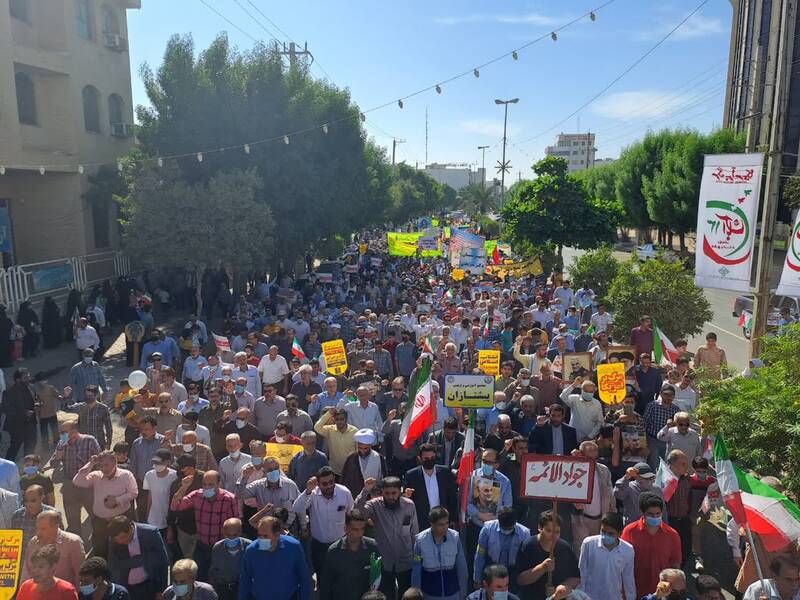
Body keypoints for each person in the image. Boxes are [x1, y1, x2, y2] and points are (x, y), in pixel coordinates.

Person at [355, 476, 419, 600]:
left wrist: (416, 560)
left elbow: (414, 533)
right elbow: (357, 514)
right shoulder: (375, 505)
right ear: (382, 492)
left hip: (406, 562)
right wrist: (365, 491)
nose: (390, 497)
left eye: (394, 493)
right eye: (387, 493)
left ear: (400, 491)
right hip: (384, 564)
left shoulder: (409, 505)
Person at [169, 470, 239, 581]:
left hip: (221, 547)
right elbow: (175, 506)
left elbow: (235, 524)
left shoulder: (229, 499)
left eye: (211, 484)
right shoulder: (197, 495)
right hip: (202, 545)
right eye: (205, 484)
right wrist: (184, 487)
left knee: (220, 579)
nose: (207, 487)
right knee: (200, 577)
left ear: (219, 483)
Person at [292, 466, 354, 583]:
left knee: (341, 577)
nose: (329, 486)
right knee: (322, 577)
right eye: (324, 484)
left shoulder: (344, 492)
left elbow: (351, 513)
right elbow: (297, 508)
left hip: (340, 544)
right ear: (318, 484)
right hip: (319, 546)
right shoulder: (313, 494)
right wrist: (308, 490)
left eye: (331, 482)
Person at [72, 450, 138, 558]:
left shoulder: (126, 475)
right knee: (100, 549)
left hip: (120, 520)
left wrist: (117, 500)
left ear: (115, 462)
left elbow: (134, 492)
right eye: (101, 465)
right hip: (100, 521)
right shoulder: (96, 476)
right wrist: (91, 463)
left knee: (122, 549)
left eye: (106, 465)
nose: (103, 468)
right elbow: (77, 481)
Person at [620, 492, 681, 596]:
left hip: (661, 592)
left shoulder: (672, 535)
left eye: (658, 513)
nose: (655, 517)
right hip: (635, 589)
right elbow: (621, 561)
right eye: (651, 514)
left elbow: (675, 565)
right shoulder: (629, 532)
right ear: (642, 513)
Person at [239, 515, 311, 600]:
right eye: (259, 535)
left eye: (265, 536)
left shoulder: (293, 547)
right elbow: (245, 580)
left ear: (277, 535)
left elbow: (303, 576)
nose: (261, 539)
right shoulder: (251, 551)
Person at [515, 511, 580, 600]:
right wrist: (542, 568)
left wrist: (561, 589)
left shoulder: (564, 548)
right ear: (540, 528)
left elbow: (575, 577)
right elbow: (520, 579)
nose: (553, 536)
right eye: (549, 531)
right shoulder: (528, 546)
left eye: (557, 532)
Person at [321, 509, 381, 600]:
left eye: (362, 529)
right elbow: (326, 585)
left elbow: (379, 578)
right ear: (346, 529)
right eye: (355, 530)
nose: (360, 533)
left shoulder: (372, 548)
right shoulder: (334, 552)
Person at [106, 515, 169, 600]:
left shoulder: (150, 533)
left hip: (149, 586)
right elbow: (114, 564)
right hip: (126, 588)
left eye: (122, 537)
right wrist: (140, 560)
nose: (120, 542)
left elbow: (163, 562)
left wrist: (161, 590)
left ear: (131, 528)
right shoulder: (115, 540)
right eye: (117, 539)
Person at [411, 507, 468, 600]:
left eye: (447, 523)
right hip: (429, 594)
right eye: (441, 524)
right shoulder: (420, 541)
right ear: (432, 524)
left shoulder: (455, 538)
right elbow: (416, 569)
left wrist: (463, 592)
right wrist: (416, 595)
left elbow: (462, 567)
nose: (445, 527)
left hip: (452, 594)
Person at [576, 512, 635, 600]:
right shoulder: (589, 544)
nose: (605, 536)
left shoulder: (628, 550)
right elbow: (582, 574)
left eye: (610, 533)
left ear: (620, 533)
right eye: (603, 531)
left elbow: (628, 580)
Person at [569, 441, 615, 553]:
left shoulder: (604, 470)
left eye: (596, 458)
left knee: (600, 551)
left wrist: (612, 514)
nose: (593, 461)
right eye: (589, 458)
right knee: (581, 552)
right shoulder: (572, 470)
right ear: (582, 455)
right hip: (581, 520)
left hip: (601, 520)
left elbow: (611, 494)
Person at [473, 507, 531, 593]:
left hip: (513, 572)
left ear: (515, 523)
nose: (506, 531)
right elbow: (480, 555)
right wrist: (477, 579)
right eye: (504, 528)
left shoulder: (525, 533)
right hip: (492, 569)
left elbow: (526, 561)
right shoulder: (487, 529)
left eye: (509, 528)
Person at [403, 444, 458, 531]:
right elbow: (407, 498)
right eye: (426, 459)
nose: (430, 460)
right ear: (419, 458)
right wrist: (406, 495)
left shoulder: (445, 472)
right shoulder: (412, 476)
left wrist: (453, 519)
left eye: (432, 458)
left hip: (442, 520)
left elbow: (451, 496)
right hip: (422, 522)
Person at [23, 511, 84, 588]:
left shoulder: (72, 542)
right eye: (37, 528)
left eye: (43, 529)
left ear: (55, 527)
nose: (38, 532)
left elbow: (80, 574)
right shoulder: (34, 542)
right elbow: (27, 572)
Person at [208, 518, 250, 600]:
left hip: (243, 589)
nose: (231, 538)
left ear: (240, 532)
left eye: (234, 535)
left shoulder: (249, 547)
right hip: (223, 590)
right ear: (223, 533)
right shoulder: (217, 548)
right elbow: (213, 572)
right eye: (228, 535)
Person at [3, 368, 38, 460]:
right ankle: (7, 468)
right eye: (25, 377)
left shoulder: (31, 387)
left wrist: (37, 404)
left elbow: (35, 398)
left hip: (31, 423)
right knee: (15, 447)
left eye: (28, 376)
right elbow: (6, 409)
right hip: (16, 425)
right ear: (18, 380)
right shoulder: (9, 392)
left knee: (30, 446)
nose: (28, 379)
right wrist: (24, 412)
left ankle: (28, 469)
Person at [342, 429, 387, 498]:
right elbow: (345, 478)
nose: (362, 451)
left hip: (373, 496)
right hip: (354, 496)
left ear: (370, 446)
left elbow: (384, 478)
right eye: (360, 448)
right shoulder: (351, 458)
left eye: (365, 448)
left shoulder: (378, 458)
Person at [67, 384, 114, 451]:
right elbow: (66, 409)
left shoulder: (103, 408)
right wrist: (67, 397)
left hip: (98, 443)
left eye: (90, 396)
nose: (88, 398)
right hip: (83, 443)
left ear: (96, 395)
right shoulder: (80, 407)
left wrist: (108, 442)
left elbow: (108, 427)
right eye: (86, 396)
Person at [142, 448, 177, 535]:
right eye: (155, 462)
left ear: (168, 462)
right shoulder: (149, 475)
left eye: (160, 463)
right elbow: (150, 496)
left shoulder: (174, 476)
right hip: (153, 519)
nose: (156, 465)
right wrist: (147, 515)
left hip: (168, 520)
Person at [314, 407, 358, 477]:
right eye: (337, 419)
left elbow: (357, 451)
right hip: (335, 471)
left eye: (342, 419)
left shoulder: (354, 431)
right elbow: (317, 427)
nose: (339, 421)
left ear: (346, 419)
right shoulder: (330, 430)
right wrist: (328, 413)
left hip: (350, 470)